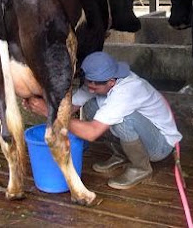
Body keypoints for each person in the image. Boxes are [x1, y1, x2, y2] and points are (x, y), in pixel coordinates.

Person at [23, 51, 182, 189]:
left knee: (123, 120)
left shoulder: (128, 90)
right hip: (144, 135)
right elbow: (71, 107)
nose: (90, 88)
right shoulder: (99, 80)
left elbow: (92, 133)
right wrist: (42, 101)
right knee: (92, 105)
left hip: (160, 145)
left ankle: (141, 168)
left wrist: (48, 112)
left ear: (111, 82)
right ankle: (121, 154)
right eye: (88, 83)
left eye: (94, 86)